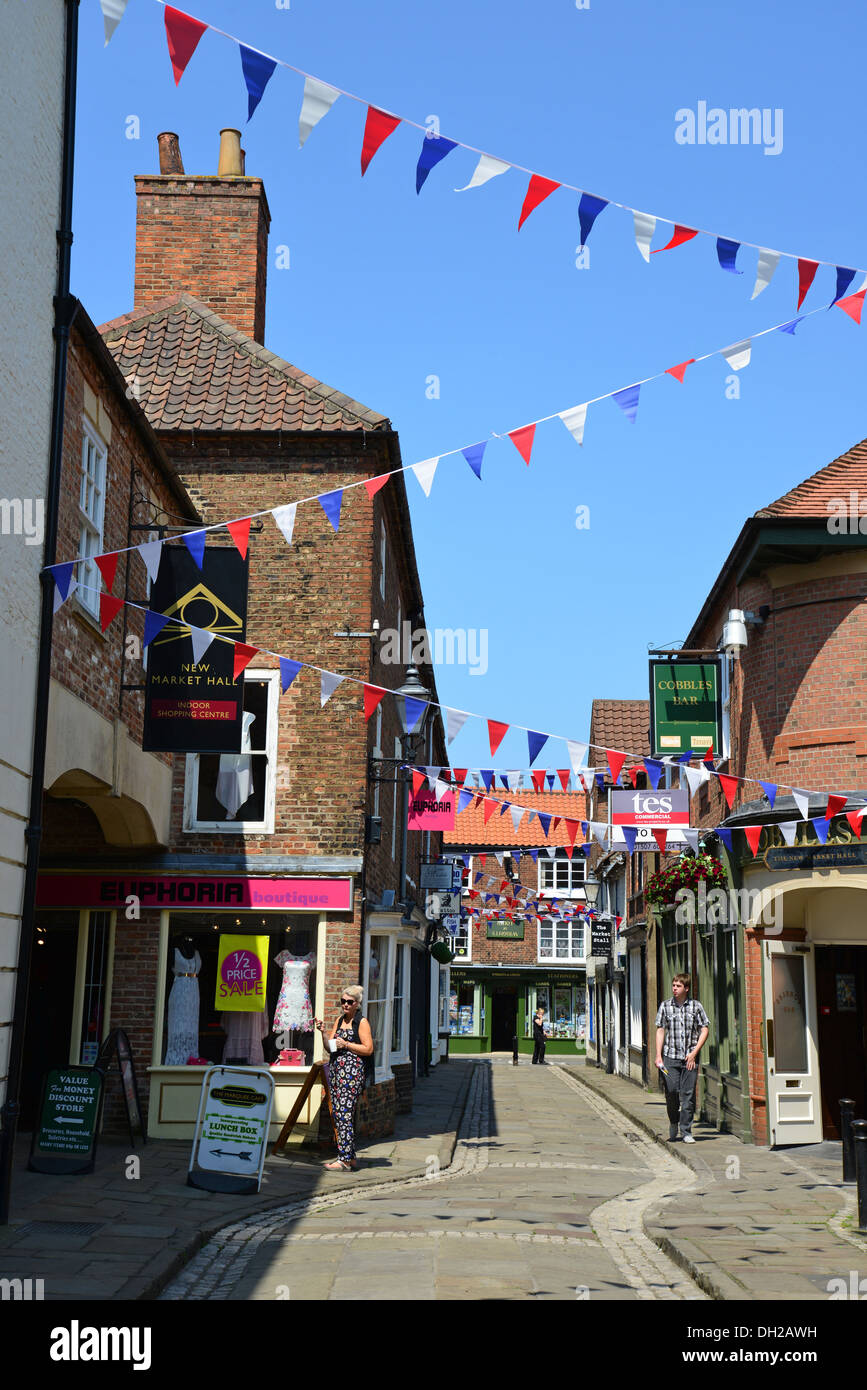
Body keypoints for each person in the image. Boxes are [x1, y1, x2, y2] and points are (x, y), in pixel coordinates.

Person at [314, 985, 374, 1172]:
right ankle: (350, 1157)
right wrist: (323, 1032)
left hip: (352, 1074)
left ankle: (344, 1160)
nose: (345, 1005)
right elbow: (330, 1047)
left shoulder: (361, 1022)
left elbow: (368, 1049)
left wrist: (346, 1044)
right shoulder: (340, 1021)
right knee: (339, 1113)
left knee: (344, 1114)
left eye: (350, 1002)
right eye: (343, 1001)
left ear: (357, 1004)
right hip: (337, 1073)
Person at [655, 973, 709, 1144]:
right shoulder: (665, 1006)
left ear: (686, 988)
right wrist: (658, 1055)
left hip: (689, 1060)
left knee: (688, 1096)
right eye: (673, 985)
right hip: (669, 1058)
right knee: (671, 1092)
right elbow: (660, 1030)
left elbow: (704, 1029)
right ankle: (673, 1122)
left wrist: (694, 1053)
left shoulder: (696, 1007)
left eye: (678, 986)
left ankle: (686, 1131)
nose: (674, 989)